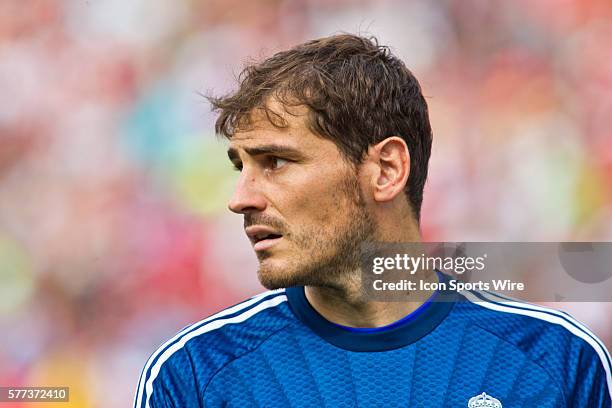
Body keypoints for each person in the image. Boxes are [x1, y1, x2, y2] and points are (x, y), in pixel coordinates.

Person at [134, 34, 611, 407]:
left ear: (386, 171)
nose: (240, 200)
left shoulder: (558, 361)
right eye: (242, 167)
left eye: (275, 162)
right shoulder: (193, 374)